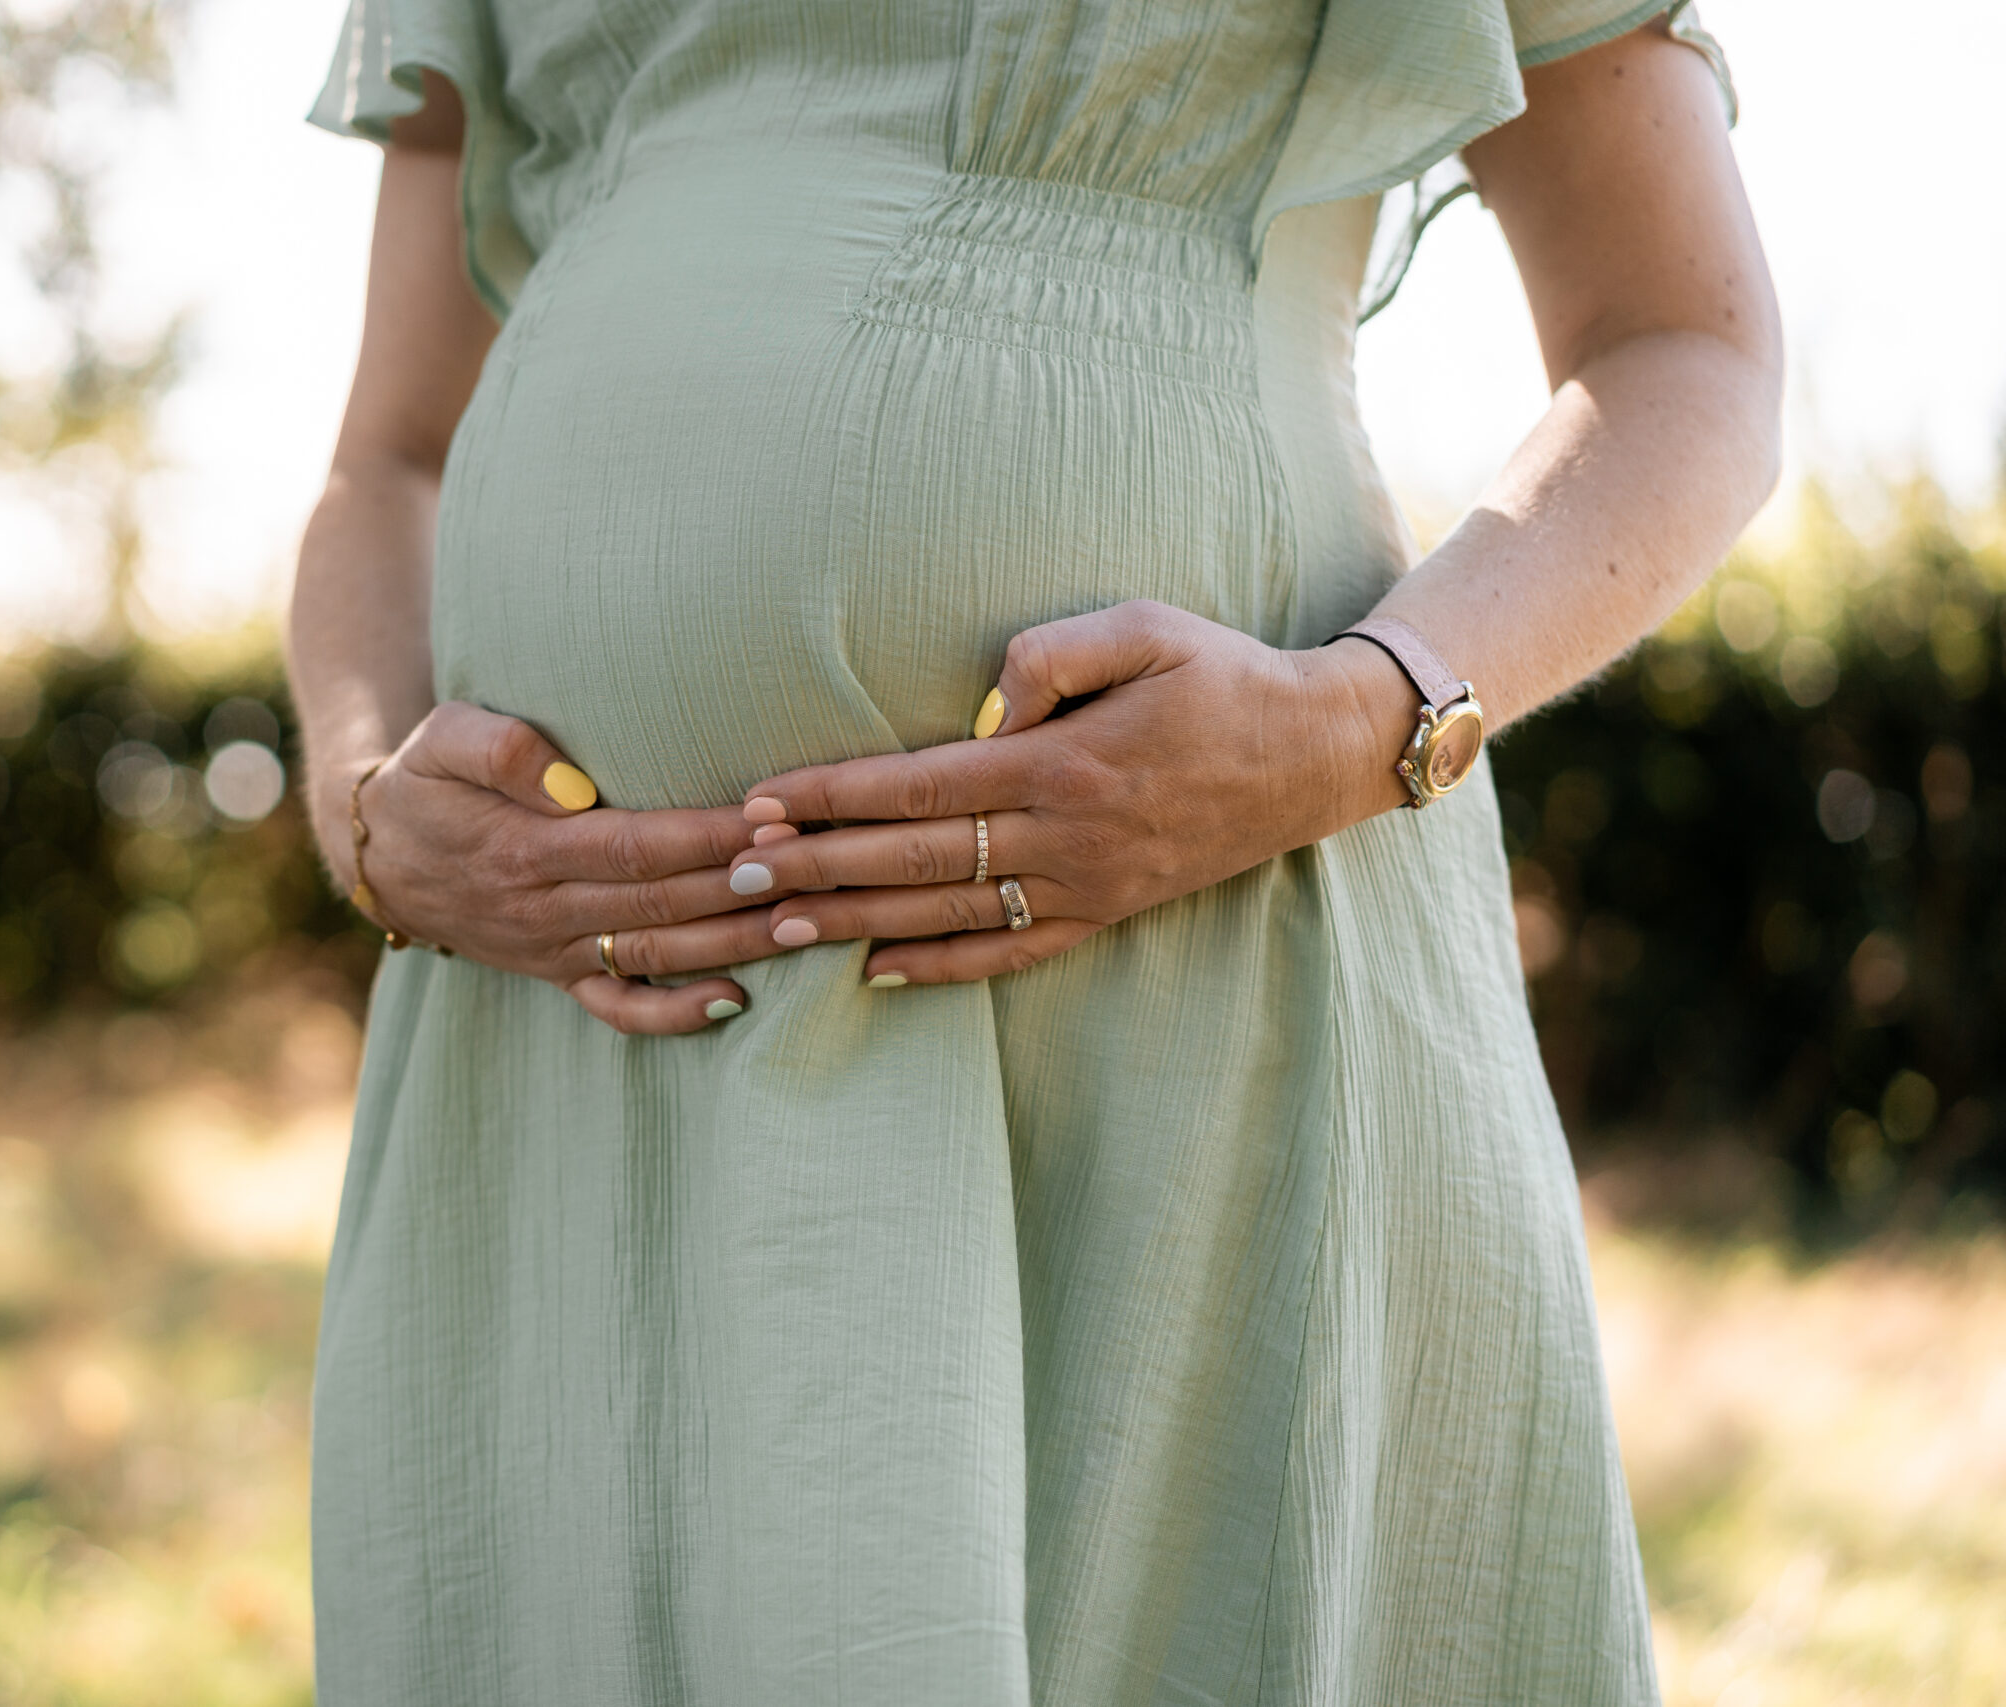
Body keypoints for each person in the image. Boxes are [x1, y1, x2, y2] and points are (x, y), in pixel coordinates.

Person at [286, 0, 1778, 1698]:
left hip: (1178, 972)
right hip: (574, 1059)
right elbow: (385, 461)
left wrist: (1350, 720)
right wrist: (364, 809)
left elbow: (1682, 347)